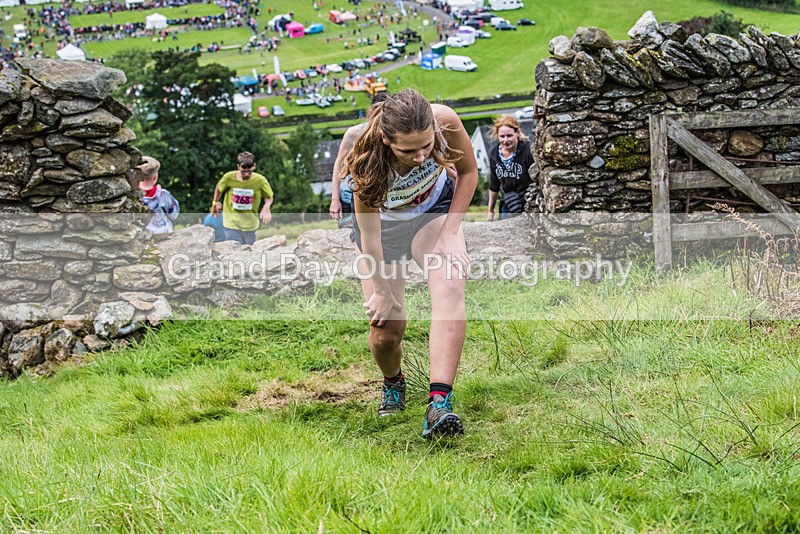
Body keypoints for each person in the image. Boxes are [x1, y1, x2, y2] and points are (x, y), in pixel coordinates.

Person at [342, 89, 478, 439]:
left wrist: (450, 232)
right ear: (387, 139)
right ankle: (393, 383)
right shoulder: (365, 160)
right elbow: (369, 239)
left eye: (426, 146)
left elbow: (468, 173)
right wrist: (384, 293)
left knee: (449, 283)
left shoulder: (445, 119)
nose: (420, 157)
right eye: (407, 150)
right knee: (387, 331)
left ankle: (439, 403)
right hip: (383, 236)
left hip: (430, 215)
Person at [330, 92, 389, 229]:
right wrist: (335, 199)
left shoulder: (392, 134)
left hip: (378, 195)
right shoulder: (354, 133)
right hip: (350, 194)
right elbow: (339, 166)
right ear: (372, 112)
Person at [210, 151, 273, 245]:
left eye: (249, 171)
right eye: (243, 171)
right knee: (235, 252)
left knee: (248, 253)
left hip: (250, 224)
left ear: (254, 166)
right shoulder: (229, 177)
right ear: (238, 166)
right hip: (231, 222)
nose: (246, 174)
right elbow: (219, 188)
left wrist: (266, 206)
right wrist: (214, 203)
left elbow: (269, 197)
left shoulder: (260, 180)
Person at [487, 115, 534, 221]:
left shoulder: (528, 151)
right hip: (507, 203)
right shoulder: (494, 155)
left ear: (517, 133)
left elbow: (536, 179)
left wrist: (524, 197)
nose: (505, 140)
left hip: (527, 201)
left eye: (509, 135)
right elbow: (494, 185)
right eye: (502, 136)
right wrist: (490, 210)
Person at [137, 156, 180, 234]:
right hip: (164, 235)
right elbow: (174, 215)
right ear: (155, 177)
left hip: (142, 237)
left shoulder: (131, 196)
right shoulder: (164, 195)